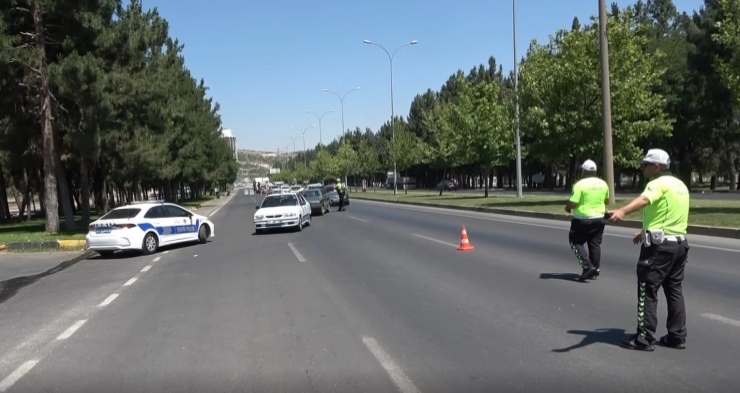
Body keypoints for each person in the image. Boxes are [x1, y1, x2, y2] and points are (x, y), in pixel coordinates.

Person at [608, 148, 690, 351]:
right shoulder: (680, 185)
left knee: (647, 289)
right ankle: (676, 336)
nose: (642, 167)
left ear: (657, 166)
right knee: (674, 290)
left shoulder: (657, 184)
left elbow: (645, 200)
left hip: (659, 247)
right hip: (679, 245)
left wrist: (622, 210)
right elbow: (665, 214)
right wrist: (644, 231)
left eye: (645, 164)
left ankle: (644, 338)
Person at [564, 159, 610, 281]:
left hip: (583, 219)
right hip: (600, 218)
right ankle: (595, 269)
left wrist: (567, 208)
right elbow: (606, 201)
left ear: (583, 171)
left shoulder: (580, 184)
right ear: (595, 171)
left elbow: (574, 202)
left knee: (575, 242)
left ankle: (587, 266)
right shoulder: (603, 184)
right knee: (595, 243)